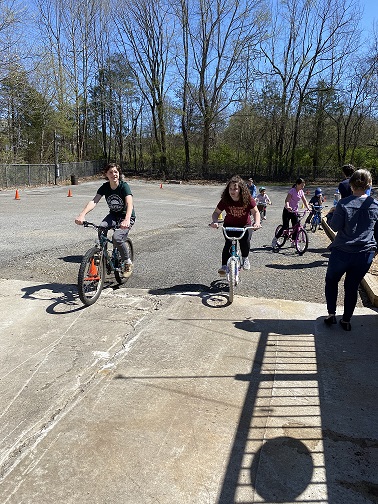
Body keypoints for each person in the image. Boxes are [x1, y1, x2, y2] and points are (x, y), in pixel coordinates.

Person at [324, 169, 378, 331]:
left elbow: (334, 226)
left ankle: (331, 314)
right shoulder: (375, 206)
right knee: (352, 286)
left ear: (351, 185)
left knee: (332, 281)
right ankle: (346, 320)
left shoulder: (344, 203)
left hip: (342, 252)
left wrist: (330, 214)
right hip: (364, 254)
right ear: (369, 184)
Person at [75, 163, 136, 277]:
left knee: (117, 238)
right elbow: (94, 201)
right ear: (106, 175)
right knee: (101, 228)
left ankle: (127, 261)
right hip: (113, 215)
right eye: (111, 172)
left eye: (116, 172)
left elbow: (129, 203)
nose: (114, 174)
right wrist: (82, 214)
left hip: (126, 217)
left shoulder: (124, 186)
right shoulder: (105, 187)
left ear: (119, 173)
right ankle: (104, 255)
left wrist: (127, 219)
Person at [210, 175, 261, 276]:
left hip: (244, 226)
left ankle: (245, 258)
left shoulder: (248, 199)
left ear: (241, 189)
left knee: (244, 241)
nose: (232, 191)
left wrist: (257, 222)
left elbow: (255, 212)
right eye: (230, 189)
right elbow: (216, 213)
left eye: (235, 188)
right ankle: (224, 266)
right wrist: (215, 221)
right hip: (229, 225)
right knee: (228, 244)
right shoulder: (226, 199)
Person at [273, 177, 311, 244]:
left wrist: (308, 208)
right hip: (287, 211)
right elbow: (287, 200)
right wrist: (288, 206)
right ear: (297, 184)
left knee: (296, 226)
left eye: (303, 186)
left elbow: (304, 201)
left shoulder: (301, 192)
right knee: (285, 227)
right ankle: (275, 239)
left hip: (294, 211)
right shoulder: (292, 191)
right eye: (302, 185)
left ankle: (294, 241)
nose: (303, 187)